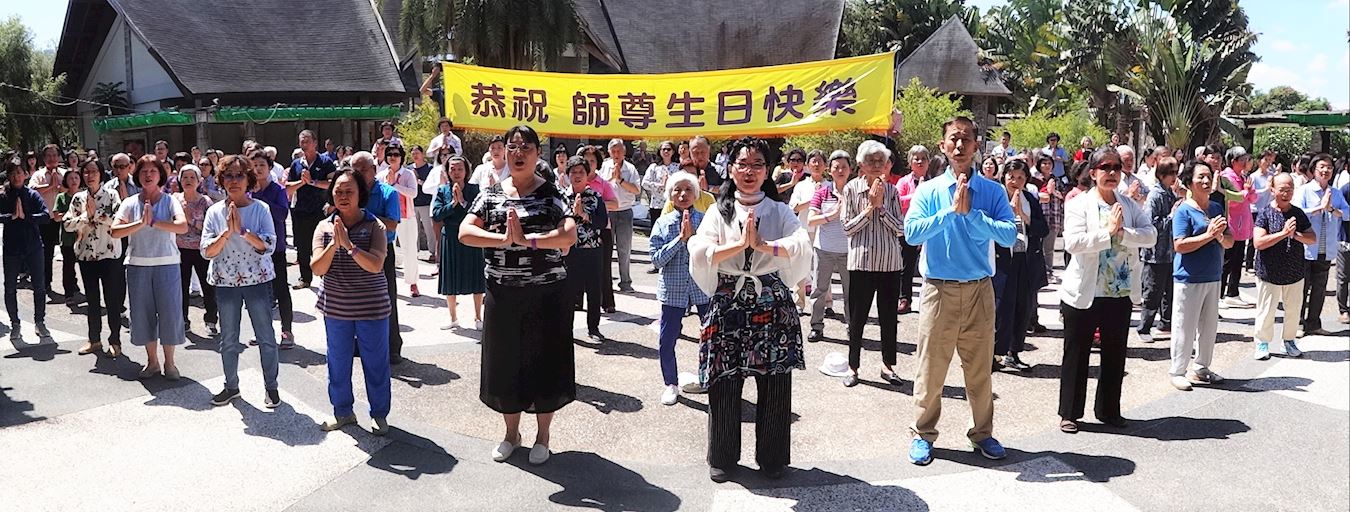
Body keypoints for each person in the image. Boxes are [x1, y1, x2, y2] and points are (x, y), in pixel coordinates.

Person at [687, 136, 810, 482]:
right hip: (729, 299)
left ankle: (772, 459)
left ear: (768, 170)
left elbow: (801, 244)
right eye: (743, 164)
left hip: (770, 298)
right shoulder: (718, 209)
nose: (750, 171)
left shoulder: (778, 209)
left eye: (758, 164)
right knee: (724, 378)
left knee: (774, 382)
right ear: (731, 169)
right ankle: (723, 457)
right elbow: (699, 248)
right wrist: (740, 245)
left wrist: (764, 245)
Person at [459, 124, 578, 466]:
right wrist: (503, 241)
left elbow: (568, 235)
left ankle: (543, 436)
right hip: (502, 291)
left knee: (544, 363)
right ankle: (512, 434)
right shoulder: (492, 193)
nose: (518, 153)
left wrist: (531, 241)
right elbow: (466, 232)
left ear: (537, 154)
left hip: (546, 293)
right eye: (512, 147)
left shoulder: (552, 193)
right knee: (504, 364)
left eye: (526, 147)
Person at [903, 116, 1018, 466]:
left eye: (966, 139)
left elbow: (1009, 235)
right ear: (943, 145)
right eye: (953, 139)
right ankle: (923, 434)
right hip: (938, 290)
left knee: (980, 368)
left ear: (976, 145)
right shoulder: (928, 190)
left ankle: (982, 433)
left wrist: (971, 216)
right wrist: (951, 213)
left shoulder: (994, 191)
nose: (959, 145)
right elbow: (912, 234)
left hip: (980, 290)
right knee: (931, 369)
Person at [1057, 147, 1156, 432]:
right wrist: (1108, 234)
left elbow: (1151, 235)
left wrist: (1125, 233)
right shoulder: (1079, 204)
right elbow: (1073, 243)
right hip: (1084, 292)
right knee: (1076, 354)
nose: (1111, 173)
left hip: (1119, 292)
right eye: (1105, 167)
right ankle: (1070, 413)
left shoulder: (1129, 204)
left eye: (1116, 168)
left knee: (1115, 355)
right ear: (1093, 172)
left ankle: (1109, 411)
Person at [312, 168, 393, 436]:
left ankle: (379, 414)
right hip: (336, 308)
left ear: (361, 194)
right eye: (338, 191)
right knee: (337, 361)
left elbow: (376, 264)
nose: (343, 196)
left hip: (372, 307)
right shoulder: (324, 227)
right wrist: (334, 245)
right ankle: (343, 412)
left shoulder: (375, 225)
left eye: (349, 191)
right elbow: (317, 268)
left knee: (376, 362)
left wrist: (350, 246)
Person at [200, 155, 280, 408]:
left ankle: (271, 387)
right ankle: (231, 386)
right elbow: (206, 250)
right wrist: (226, 232)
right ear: (221, 180)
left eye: (239, 175)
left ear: (249, 179)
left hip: (257, 281)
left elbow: (269, 244)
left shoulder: (260, 209)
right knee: (229, 338)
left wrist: (243, 231)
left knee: (265, 336)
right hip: (225, 282)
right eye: (228, 176)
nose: (233, 181)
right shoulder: (214, 211)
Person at [111, 155, 189, 380]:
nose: (148, 175)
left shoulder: (170, 200)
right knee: (142, 315)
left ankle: (170, 363)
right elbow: (116, 231)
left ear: (160, 175)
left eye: (153, 171)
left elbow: (182, 226)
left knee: (170, 314)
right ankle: (152, 362)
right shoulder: (129, 202)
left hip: (167, 264)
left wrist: (155, 222)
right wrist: (141, 223)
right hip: (138, 265)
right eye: (144, 171)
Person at [837, 140, 905, 387]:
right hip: (861, 263)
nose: (876, 166)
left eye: (881, 161)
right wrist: (869, 209)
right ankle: (853, 367)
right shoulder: (851, 189)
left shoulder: (893, 191)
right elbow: (847, 228)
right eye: (871, 161)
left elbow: (900, 229)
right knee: (857, 319)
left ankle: (888, 367)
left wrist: (882, 208)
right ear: (860, 164)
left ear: (887, 165)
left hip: (889, 263)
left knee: (889, 319)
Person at [1169, 160, 1234, 391]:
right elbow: (1180, 245)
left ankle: (1202, 367)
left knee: (1209, 326)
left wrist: (1218, 236)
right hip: (1189, 277)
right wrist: (1208, 235)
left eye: (1208, 177)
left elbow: (1229, 240)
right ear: (1189, 183)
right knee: (1184, 326)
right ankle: (1178, 370)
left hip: (1213, 275)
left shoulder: (1216, 208)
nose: (1206, 182)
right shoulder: (1183, 211)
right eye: (1200, 178)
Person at [649, 171, 707, 405]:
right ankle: (671, 384)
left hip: (702, 285)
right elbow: (656, 259)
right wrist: (680, 240)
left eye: (688, 190)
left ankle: (709, 379)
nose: (683, 194)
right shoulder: (662, 223)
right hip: (673, 287)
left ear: (696, 193)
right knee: (667, 338)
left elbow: (713, 253)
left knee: (711, 336)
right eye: (677, 190)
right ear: (670, 194)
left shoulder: (706, 220)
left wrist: (693, 240)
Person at [1251, 172, 1317, 360]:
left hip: (1294, 270)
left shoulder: (1297, 213)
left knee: (1294, 309)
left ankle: (1288, 340)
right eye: (1282, 189)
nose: (1286, 193)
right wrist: (1283, 233)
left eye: (1290, 189)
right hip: (1269, 271)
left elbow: (1312, 238)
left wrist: (1295, 235)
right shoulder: (1265, 213)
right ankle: (1262, 342)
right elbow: (1258, 242)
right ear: (1273, 190)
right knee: (1266, 309)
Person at [65, 158, 125, 356]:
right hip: (86, 255)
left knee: (112, 299)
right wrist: (85, 217)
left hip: (110, 254)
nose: (89, 176)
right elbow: (66, 224)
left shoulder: (111, 194)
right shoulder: (78, 198)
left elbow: (117, 220)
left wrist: (95, 213)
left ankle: (115, 341)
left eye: (94, 172)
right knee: (92, 299)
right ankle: (94, 339)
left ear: (101, 174)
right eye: (86, 172)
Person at [995, 159, 1049, 371]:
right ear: (1004, 177)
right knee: (1001, 309)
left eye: (1020, 177)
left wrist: (1023, 215)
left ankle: (1014, 352)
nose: (1015, 181)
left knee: (1022, 307)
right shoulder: (997, 198)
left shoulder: (1030, 199)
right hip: (1002, 260)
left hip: (1025, 259)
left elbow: (1042, 229)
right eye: (1011, 177)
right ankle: (995, 353)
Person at [353, 151, 405, 364]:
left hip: (382, 251)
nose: (358, 174)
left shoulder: (388, 193)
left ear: (374, 170)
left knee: (386, 298)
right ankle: (361, 344)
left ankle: (393, 346)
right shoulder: (351, 193)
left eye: (362, 169)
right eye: (354, 170)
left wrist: (364, 215)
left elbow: (392, 224)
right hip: (356, 251)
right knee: (358, 300)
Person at [1295, 154, 1350, 336]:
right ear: (1314, 170)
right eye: (1322, 167)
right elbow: (1297, 212)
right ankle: (1298, 323)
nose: (1325, 171)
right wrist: (1319, 209)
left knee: (1319, 288)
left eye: (1329, 168)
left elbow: (1348, 213)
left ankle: (1314, 324)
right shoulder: (1304, 190)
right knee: (1301, 288)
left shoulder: (1336, 193)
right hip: (1305, 248)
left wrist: (1332, 209)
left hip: (1326, 248)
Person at [431, 156, 485, 330]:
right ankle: (453, 317)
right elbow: (437, 214)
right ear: (447, 171)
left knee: (476, 276)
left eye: (460, 169)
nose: (456, 172)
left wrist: (462, 202)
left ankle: (478, 317)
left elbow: (480, 212)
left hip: (470, 235)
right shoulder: (442, 190)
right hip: (451, 235)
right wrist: (453, 204)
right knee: (450, 277)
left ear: (466, 171)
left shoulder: (474, 189)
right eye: (452, 169)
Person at [249, 150, 295, 347]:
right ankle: (262, 331)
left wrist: (262, 202)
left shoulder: (277, 190)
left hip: (275, 248)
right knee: (259, 292)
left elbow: (282, 214)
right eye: (255, 165)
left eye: (262, 165)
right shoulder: (248, 191)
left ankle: (287, 331)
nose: (258, 169)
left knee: (281, 289)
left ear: (269, 168)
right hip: (254, 248)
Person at [1, 161, 52, 341]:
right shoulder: (4, 195)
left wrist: (27, 217)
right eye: (13, 173)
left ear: (25, 175)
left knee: (39, 286)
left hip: (33, 247)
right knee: (9, 288)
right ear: (9, 176)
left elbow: (46, 215)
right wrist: (11, 217)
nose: (17, 177)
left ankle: (40, 321)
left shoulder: (32, 194)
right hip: (12, 249)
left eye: (20, 173)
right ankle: (15, 323)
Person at [806, 150, 853, 340]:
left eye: (844, 167)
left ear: (851, 170)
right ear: (830, 170)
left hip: (849, 251)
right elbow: (811, 220)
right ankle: (816, 325)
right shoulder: (822, 192)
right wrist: (832, 215)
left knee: (851, 292)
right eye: (836, 167)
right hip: (823, 249)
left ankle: (853, 327)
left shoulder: (855, 191)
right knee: (819, 289)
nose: (840, 170)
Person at [561, 157, 609, 341]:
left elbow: (603, 222)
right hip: (569, 250)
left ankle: (594, 328)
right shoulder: (562, 196)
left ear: (587, 174)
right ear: (568, 175)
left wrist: (583, 214)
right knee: (568, 291)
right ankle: (566, 329)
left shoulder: (595, 197)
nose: (577, 175)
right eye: (573, 172)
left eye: (581, 172)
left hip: (592, 249)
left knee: (594, 290)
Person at [1139, 158, 1183, 339]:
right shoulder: (1155, 195)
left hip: (1170, 252)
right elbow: (1150, 223)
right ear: (1162, 175)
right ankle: (1144, 327)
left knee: (1169, 291)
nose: (1174, 177)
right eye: (1171, 174)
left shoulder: (1170, 193)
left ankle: (1165, 323)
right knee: (1153, 291)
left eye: (1175, 173)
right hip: (1155, 253)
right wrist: (1171, 216)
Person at [287, 130, 337, 289]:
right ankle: (305, 278)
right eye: (301, 141)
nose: (304, 144)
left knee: (323, 243)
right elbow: (288, 187)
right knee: (302, 245)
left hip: (320, 210)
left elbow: (333, 183)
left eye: (307, 140)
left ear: (315, 143)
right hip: (301, 210)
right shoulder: (296, 164)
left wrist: (313, 182)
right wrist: (302, 182)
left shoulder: (326, 161)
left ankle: (325, 276)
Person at [173, 165, 218, 335]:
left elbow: (209, 228)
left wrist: (190, 220)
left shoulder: (205, 201)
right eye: (185, 177)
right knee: (181, 287)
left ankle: (211, 319)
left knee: (208, 286)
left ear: (199, 181)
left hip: (201, 249)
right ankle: (183, 319)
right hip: (179, 249)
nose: (188, 181)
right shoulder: (174, 199)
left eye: (193, 177)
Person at [600, 138, 641, 293]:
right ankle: (606, 282)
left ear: (624, 152)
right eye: (614, 151)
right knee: (606, 250)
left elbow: (637, 190)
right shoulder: (604, 166)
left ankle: (625, 281)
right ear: (609, 152)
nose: (616, 154)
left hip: (625, 212)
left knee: (624, 249)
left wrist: (621, 180)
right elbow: (601, 186)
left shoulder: (630, 169)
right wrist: (612, 178)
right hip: (608, 212)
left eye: (619, 151)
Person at [1218, 147, 1257, 307]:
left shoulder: (1243, 176)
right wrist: (1246, 192)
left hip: (1242, 224)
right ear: (1233, 161)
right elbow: (1234, 200)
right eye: (1242, 160)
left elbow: (1253, 198)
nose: (1245, 163)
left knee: (1237, 260)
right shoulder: (1227, 176)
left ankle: (1233, 291)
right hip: (1233, 223)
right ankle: (1220, 293)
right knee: (1228, 260)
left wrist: (1248, 192)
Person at [381, 144, 421, 297]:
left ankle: (413, 282)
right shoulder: (381, 174)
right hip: (388, 217)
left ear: (401, 157)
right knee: (387, 249)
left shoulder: (408, 174)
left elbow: (413, 193)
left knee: (410, 249)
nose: (392, 157)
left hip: (406, 216)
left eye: (396, 154)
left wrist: (394, 185)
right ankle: (387, 282)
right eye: (390, 154)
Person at [894, 145, 930, 312]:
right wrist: (916, 194)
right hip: (908, 229)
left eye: (923, 158)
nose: (920, 161)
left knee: (929, 264)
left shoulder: (935, 181)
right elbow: (898, 202)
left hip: (931, 229)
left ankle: (928, 300)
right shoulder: (903, 181)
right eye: (916, 158)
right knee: (906, 266)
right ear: (910, 162)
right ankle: (904, 298)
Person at [28, 144, 64, 298]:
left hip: (63, 218)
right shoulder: (38, 174)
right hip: (46, 219)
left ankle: (71, 285)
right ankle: (46, 282)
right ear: (44, 158)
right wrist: (50, 186)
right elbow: (33, 190)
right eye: (49, 156)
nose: (52, 158)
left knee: (68, 252)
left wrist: (60, 186)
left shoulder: (64, 173)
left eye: (55, 155)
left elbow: (72, 188)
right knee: (46, 252)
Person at [52, 167, 84, 308]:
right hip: (68, 239)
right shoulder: (61, 197)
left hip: (84, 238)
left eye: (76, 178)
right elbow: (56, 216)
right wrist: (70, 216)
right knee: (68, 268)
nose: (74, 181)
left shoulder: (85, 195)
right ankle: (69, 294)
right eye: (70, 178)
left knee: (86, 267)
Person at [1245, 149, 1278, 270]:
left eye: (1270, 160)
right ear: (1259, 161)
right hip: (1255, 209)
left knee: (1268, 237)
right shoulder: (1253, 177)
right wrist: (1266, 188)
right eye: (1266, 160)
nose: (1268, 163)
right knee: (1254, 238)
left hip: (1268, 210)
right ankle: (1249, 264)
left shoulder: (1271, 176)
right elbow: (1252, 194)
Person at [410, 146, 439, 266]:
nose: (415, 155)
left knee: (429, 229)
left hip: (426, 203)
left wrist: (420, 182)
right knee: (413, 229)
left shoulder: (430, 168)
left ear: (422, 154)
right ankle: (413, 252)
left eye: (417, 153)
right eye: (413, 153)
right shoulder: (408, 168)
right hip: (412, 203)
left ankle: (433, 252)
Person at [642, 141, 680, 226]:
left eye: (668, 149)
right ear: (660, 151)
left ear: (673, 151)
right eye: (663, 149)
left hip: (673, 205)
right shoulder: (654, 167)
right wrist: (659, 185)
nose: (666, 151)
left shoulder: (678, 167)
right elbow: (644, 183)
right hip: (656, 205)